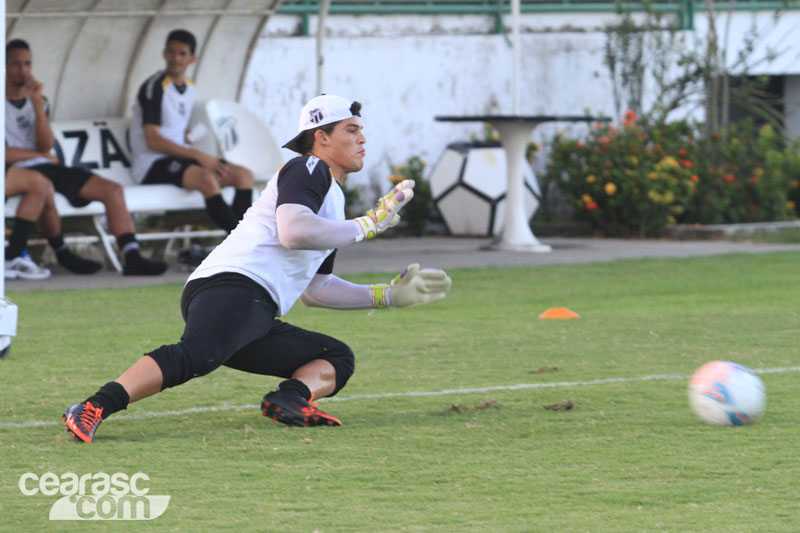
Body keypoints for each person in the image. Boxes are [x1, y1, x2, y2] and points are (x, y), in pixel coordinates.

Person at [63, 94, 452, 443]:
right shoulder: (309, 167)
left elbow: (316, 289)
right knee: (197, 354)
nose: (362, 138)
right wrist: (366, 225)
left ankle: (289, 399)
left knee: (335, 357)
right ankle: (95, 405)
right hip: (234, 285)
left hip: (253, 306)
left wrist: (386, 295)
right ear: (322, 137)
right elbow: (293, 232)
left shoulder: (330, 198)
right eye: (351, 130)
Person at [4, 39, 167, 277]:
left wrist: (37, 105)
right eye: (16, 64)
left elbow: (46, 144)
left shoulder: (38, 101)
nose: (23, 70)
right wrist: (38, 155)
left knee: (112, 190)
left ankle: (132, 256)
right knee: (42, 185)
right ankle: (53, 253)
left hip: (46, 166)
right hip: (15, 170)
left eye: (27, 64)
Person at [128, 29, 255, 234]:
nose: (176, 58)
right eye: (171, 52)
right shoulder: (155, 87)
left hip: (179, 158)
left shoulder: (190, 87)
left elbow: (171, 125)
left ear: (192, 58)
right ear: (164, 53)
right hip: (152, 163)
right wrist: (198, 155)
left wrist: (184, 135)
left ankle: (244, 239)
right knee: (207, 178)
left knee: (244, 175)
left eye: (182, 53)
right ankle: (243, 241)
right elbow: (153, 140)